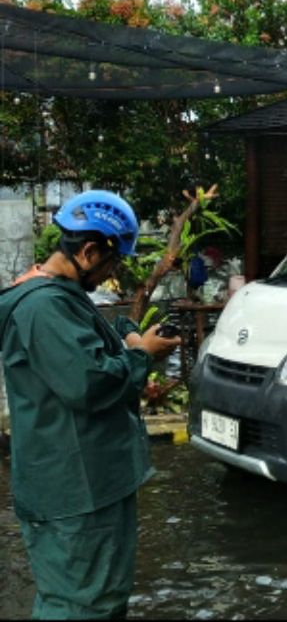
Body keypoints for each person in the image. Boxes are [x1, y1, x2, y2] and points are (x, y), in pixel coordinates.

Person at [0, 190, 180, 619]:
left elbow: (82, 355)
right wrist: (142, 355)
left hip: (90, 486)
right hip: (73, 494)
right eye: (111, 263)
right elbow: (88, 383)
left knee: (99, 597)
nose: (111, 273)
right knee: (81, 604)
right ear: (88, 250)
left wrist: (128, 339)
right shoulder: (43, 307)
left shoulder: (59, 295)